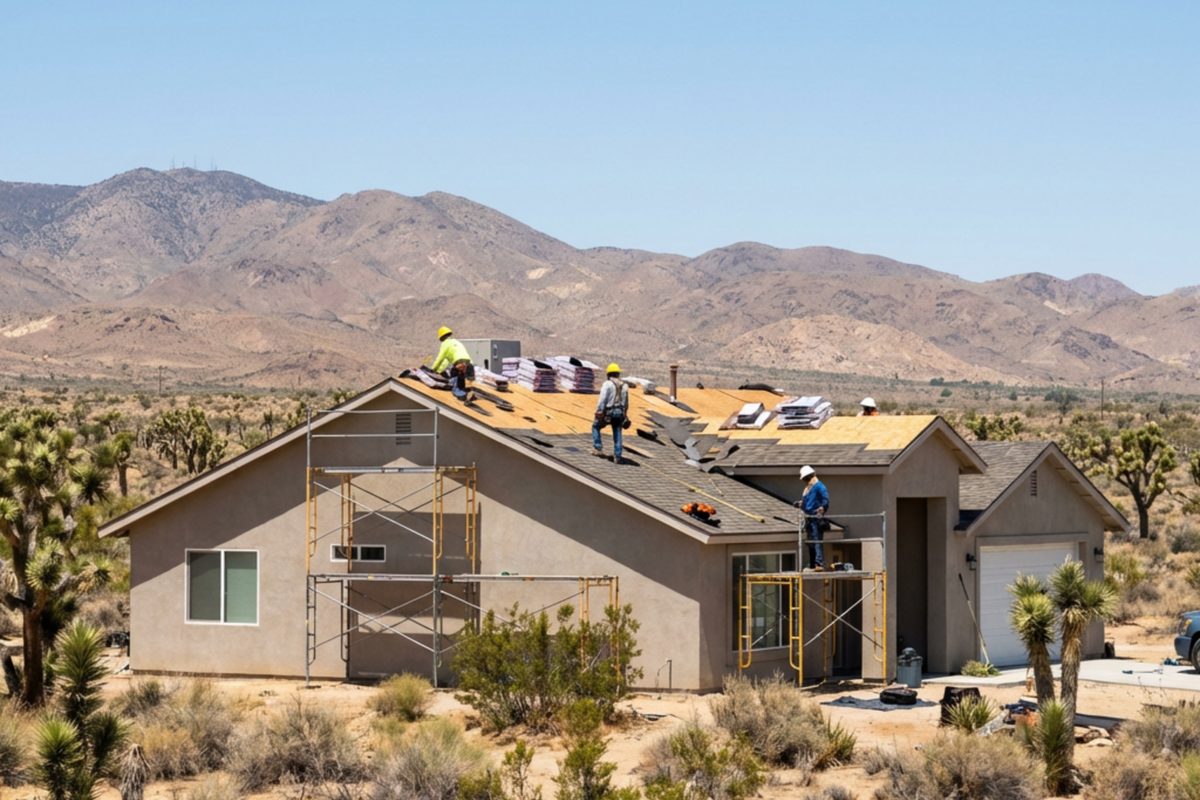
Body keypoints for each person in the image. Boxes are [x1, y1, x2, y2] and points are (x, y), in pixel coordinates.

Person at [592, 363, 630, 462]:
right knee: (617, 432)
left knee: (596, 426)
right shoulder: (624, 386)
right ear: (618, 374)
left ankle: (598, 447)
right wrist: (625, 414)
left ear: (608, 374)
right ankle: (617, 456)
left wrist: (599, 411)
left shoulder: (607, 384)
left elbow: (602, 399)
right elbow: (626, 402)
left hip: (609, 412)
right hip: (620, 412)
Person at [430, 326, 475, 402]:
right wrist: (439, 370)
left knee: (454, 376)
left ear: (442, 337)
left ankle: (460, 394)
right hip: (469, 364)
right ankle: (466, 392)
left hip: (459, 363)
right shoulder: (456, 342)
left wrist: (433, 369)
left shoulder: (445, 344)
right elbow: (446, 362)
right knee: (461, 379)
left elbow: (440, 358)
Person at [797, 465, 830, 570]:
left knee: (817, 541)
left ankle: (818, 563)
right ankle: (812, 563)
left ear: (810, 476)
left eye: (806, 479)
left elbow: (825, 499)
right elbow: (806, 503)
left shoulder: (820, 486)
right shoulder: (808, 489)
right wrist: (800, 503)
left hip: (816, 518)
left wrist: (823, 507)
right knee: (811, 542)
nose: (805, 481)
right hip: (809, 518)